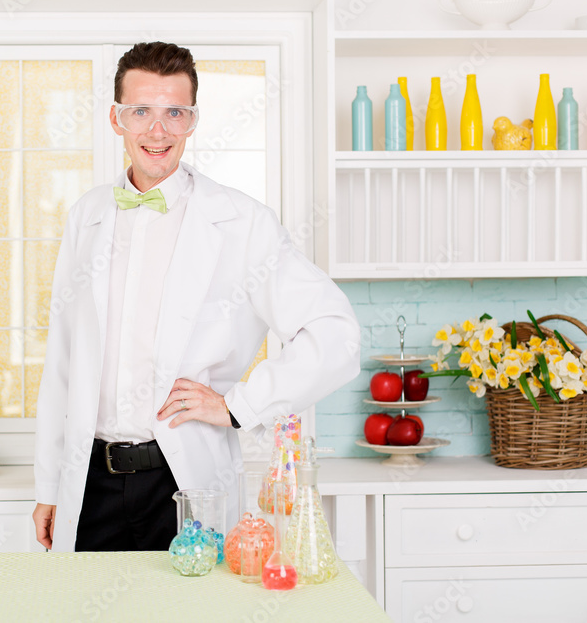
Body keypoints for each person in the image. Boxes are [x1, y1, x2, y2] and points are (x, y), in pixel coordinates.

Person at [32, 41, 360, 552]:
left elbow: (335, 335)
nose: (157, 130)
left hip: (183, 482)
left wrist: (237, 405)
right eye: (140, 111)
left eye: (174, 113)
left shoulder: (242, 223)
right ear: (116, 119)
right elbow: (63, 358)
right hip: (89, 481)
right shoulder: (87, 215)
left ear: (193, 121)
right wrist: (49, 486)